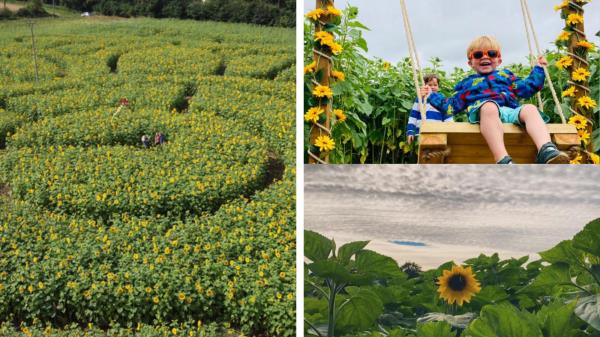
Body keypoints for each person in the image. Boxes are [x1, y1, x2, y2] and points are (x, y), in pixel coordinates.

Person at [421, 35, 569, 164]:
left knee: (530, 109)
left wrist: (538, 69)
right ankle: (502, 158)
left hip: (509, 113)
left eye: (491, 53)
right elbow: (450, 107)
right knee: (489, 107)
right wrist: (431, 95)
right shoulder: (467, 84)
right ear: (470, 62)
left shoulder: (506, 76)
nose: (485, 57)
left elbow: (527, 88)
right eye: (478, 55)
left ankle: (546, 149)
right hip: (483, 114)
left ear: (499, 59)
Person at [406, 74, 453, 144]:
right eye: (430, 85)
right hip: (421, 133)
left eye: (435, 85)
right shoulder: (419, 99)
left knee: (436, 153)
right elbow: (413, 117)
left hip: (438, 133)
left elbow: (448, 117)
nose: (433, 87)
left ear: (438, 87)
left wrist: (450, 131)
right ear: (425, 86)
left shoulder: (442, 99)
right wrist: (410, 132)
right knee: (424, 153)